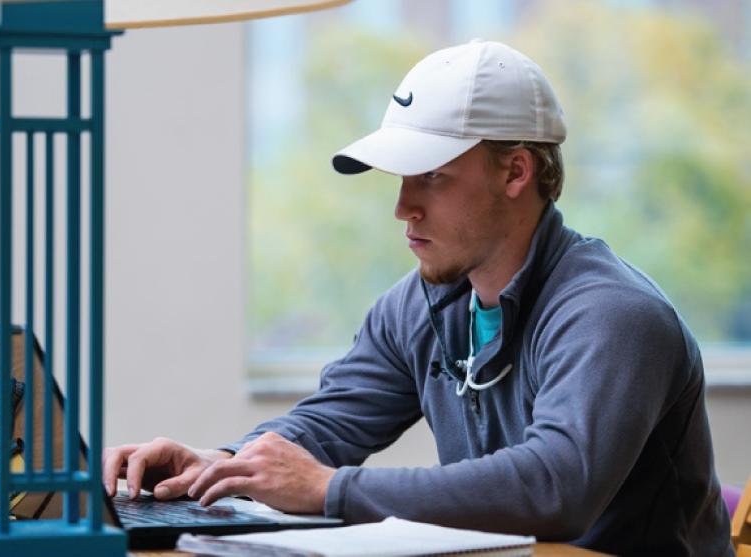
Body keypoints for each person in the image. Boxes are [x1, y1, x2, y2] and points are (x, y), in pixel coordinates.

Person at [103, 40, 733, 555]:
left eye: (432, 176)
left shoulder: (612, 316)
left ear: (516, 171)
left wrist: (330, 490)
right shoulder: (421, 304)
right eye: (401, 178)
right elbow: (330, 423)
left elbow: (555, 487)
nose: (404, 207)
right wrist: (220, 465)